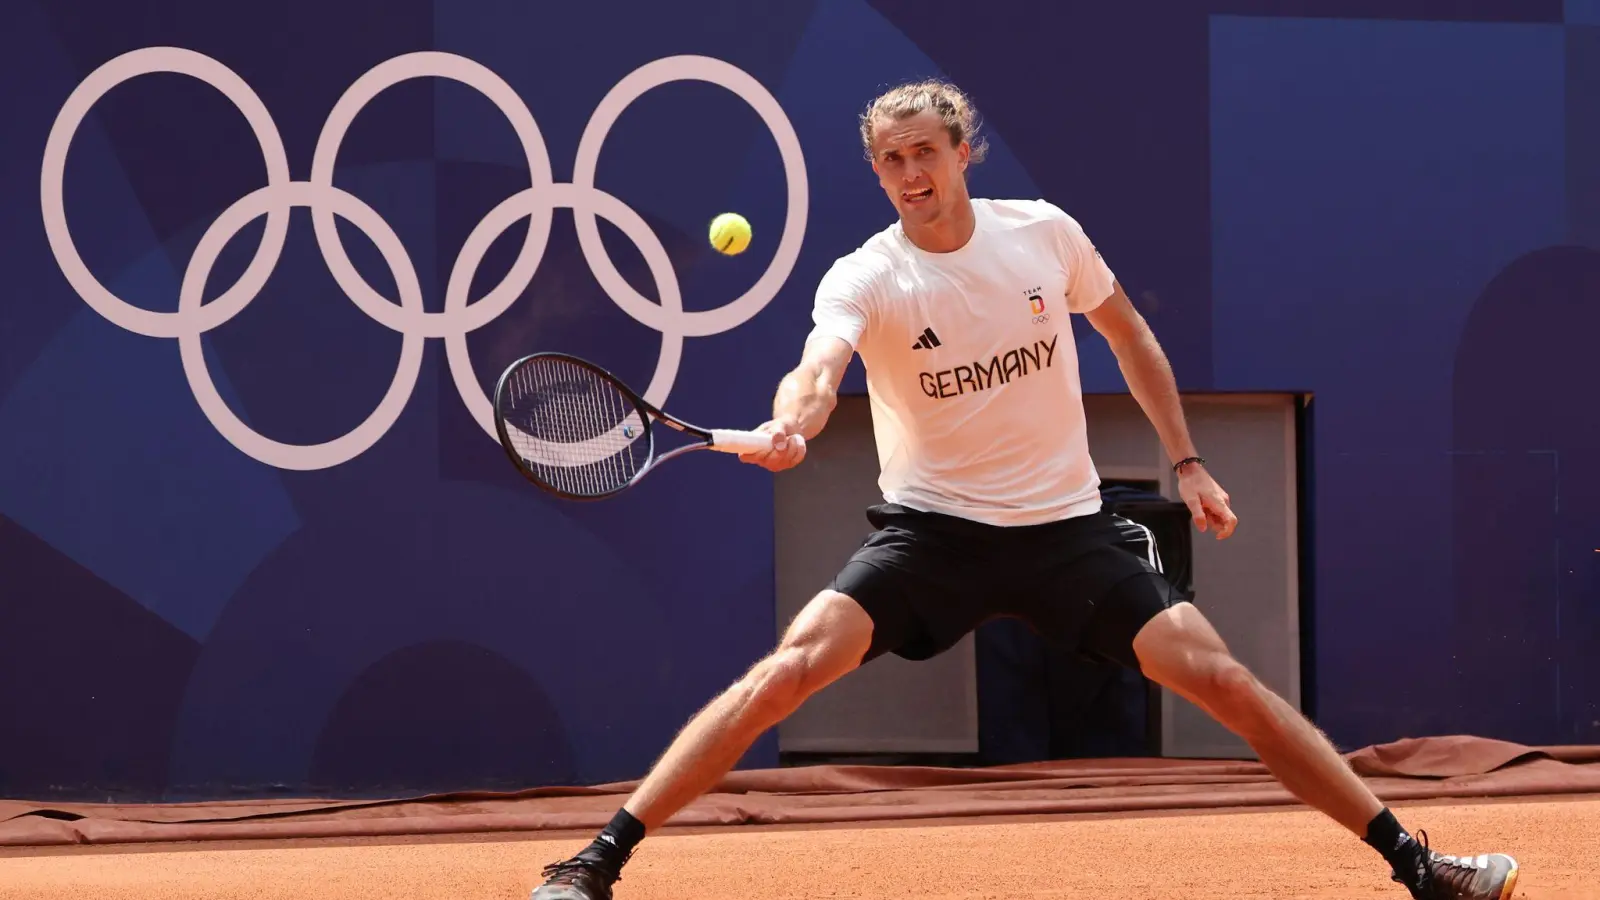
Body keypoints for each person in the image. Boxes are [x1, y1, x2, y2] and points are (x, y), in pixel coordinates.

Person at [529, 79, 1520, 900]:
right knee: (784, 674)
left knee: (1226, 685)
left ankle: (1417, 866)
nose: (910, 176)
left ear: (964, 151)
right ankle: (595, 861)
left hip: (1066, 531)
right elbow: (819, 367)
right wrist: (796, 418)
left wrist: (1186, 462)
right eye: (890, 162)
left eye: (924, 152)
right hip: (933, 533)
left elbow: (1128, 335)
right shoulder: (865, 276)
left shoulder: (1043, 236)